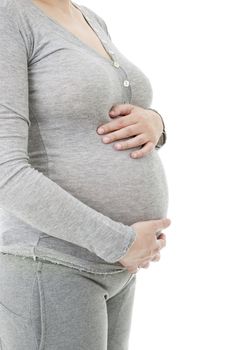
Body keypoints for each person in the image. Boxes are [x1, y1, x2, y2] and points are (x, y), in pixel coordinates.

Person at [0, 0, 171, 349]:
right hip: (52, 262)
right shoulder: (9, 15)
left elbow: (96, 115)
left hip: (116, 269)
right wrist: (120, 242)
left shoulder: (89, 17)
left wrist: (156, 124)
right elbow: (6, 172)